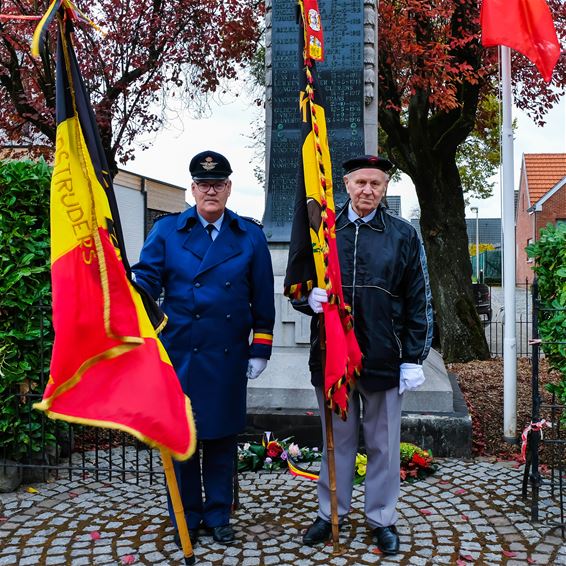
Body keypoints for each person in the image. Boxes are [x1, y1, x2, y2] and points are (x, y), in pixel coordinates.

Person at [132, 150, 275, 545]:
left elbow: (263, 296)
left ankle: (217, 514)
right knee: (183, 437)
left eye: (218, 184)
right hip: (179, 353)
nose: (210, 191)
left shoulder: (249, 235)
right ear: (192, 188)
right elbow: (147, 280)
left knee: (221, 437)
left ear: (229, 187)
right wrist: (130, 281)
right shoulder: (166, 232)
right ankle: (187, 513)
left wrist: (260, 346)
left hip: (227, 352)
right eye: (203, 184)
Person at [294, 155, 433, 555]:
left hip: (384, 355)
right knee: (336, 440)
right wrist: (308, 297)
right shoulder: (324, 230)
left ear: (385, 187)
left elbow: (418, 298)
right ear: (347, 184)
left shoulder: (403, 235)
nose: (368, 190)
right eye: (360, 183)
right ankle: (329, 512)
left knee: (383, 445)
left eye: (376, 183)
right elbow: (300, 280)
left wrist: (413, 356)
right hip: (332, 357)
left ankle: (381, 518)